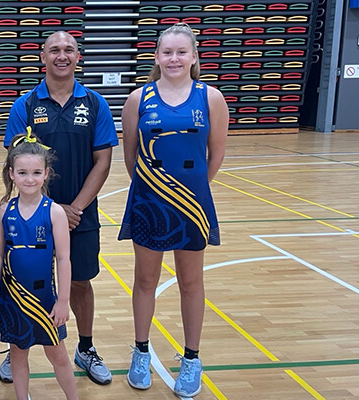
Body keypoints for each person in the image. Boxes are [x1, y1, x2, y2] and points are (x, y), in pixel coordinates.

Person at [1, 30, 118, 385]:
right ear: (42, 56)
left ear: (78, 56)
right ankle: (15, 349)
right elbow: (18, 161)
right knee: (22, 280)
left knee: (80, 282)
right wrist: (51, 209)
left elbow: (103, 161)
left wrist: (75, 209)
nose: (62, 55)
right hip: (30, 212)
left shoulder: (96, 104)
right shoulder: (25, 105)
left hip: (80, 215)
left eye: (69, 49)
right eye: (55, 50)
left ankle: (85, 347)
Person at [118, 23, 228, 397]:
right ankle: (141, 351)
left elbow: (214, 157)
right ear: (157, 57)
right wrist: (157, 189)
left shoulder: (210, 98)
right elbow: (130, 158)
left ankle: (192, 358)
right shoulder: (138, 99)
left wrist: (188, 189)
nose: (174, 59)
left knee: (191, 282)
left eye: (182, 52)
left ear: (194, 56)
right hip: (149, 202)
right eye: (168, 52)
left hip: (192, 204)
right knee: (146, 280)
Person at [0, 130, 79, 400]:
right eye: (23, 173)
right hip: (13, 298)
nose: (30, 179)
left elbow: (64, 258)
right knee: (18, 352)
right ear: (11, 174)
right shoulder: (4, 210)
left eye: (36, 173)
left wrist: (63, 300)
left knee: (58, 354)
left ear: (46, 173)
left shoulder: (54, 212)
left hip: (45, 299)